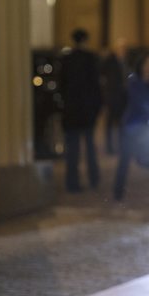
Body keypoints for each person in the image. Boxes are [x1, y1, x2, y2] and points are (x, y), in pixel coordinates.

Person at [112, 53, 149, 202]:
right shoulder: (134, 81)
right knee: (125, 160)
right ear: (141, 66)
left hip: (148, 127)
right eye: (147, 64)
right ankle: (118, 193)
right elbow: (139, 102)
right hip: (133, 126)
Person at [59, 28, 103, 192]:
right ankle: (94, 178)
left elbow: (62, 85)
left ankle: (72, 183)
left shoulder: (67, 59)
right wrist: (97, 106)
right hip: (86, 110)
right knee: (90, 147)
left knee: (73, 150)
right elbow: (95, 85)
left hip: (71, 110)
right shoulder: (90, 59)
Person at [100, 38, 129, 155]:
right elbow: (103, 75)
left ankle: (122, 146)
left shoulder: (125, 61)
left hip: (122, 96)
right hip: (112, 96)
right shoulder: (109, 61)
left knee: (121, 123)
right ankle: (109, 147)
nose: (122, 50)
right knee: (110, 123)